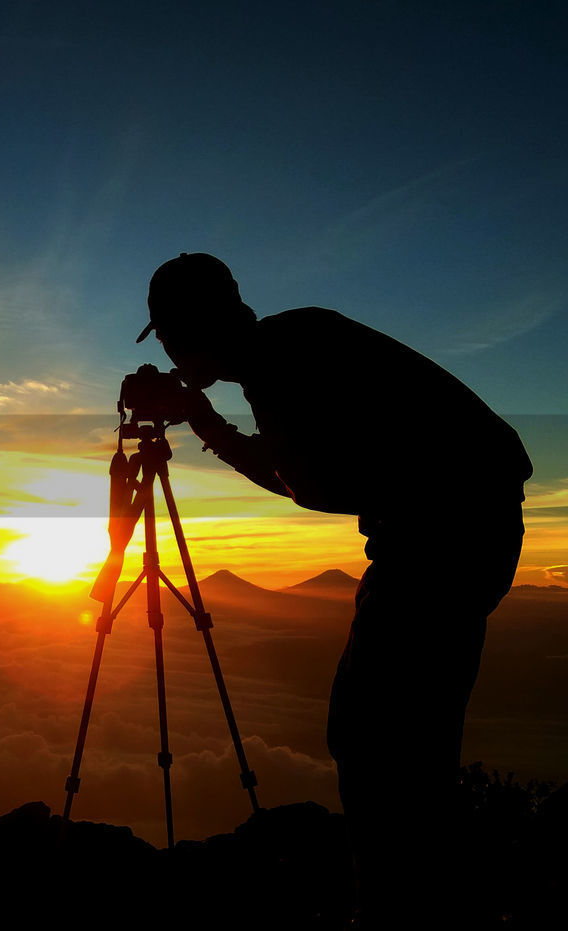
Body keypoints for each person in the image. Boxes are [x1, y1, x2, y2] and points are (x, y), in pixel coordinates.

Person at [138, 252, 532, 929]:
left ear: (197, 326)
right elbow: (312, 471)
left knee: (370, 734)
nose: (170, 351)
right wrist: (207, 422)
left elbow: (312, 484)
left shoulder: (280, 357)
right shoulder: (292, 343)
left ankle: (399, 915)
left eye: (171, 335)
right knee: (402, 734)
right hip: (463, 529)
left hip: (442, 538)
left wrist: (203, 421)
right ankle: (424, 904)